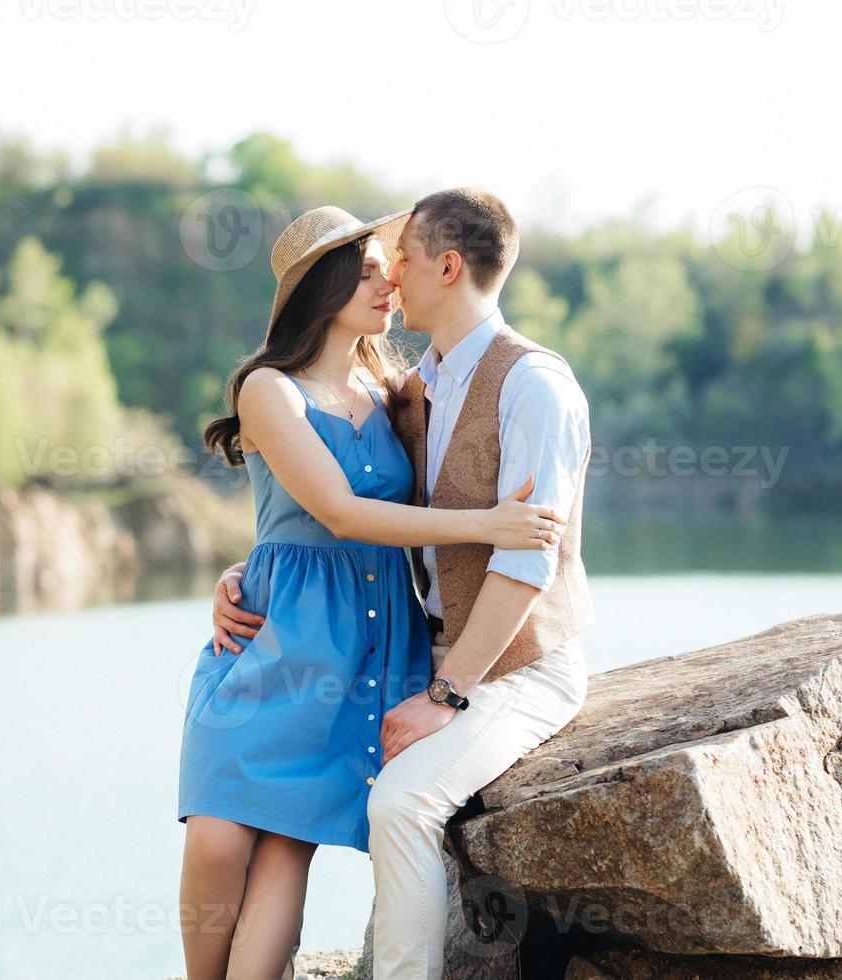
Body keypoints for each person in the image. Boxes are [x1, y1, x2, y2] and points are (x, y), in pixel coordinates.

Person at [209, 188, 594, 979]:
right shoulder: (411, 390)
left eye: (405, 262)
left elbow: (527, 563)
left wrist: (447, 694)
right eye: (376, 269)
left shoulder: (534, 386)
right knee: (258, 833)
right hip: (418, 657)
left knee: (400, 803)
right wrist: (251, 569)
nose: (392, 279)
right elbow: (348, 508)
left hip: (517, 666)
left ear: (447, 267)